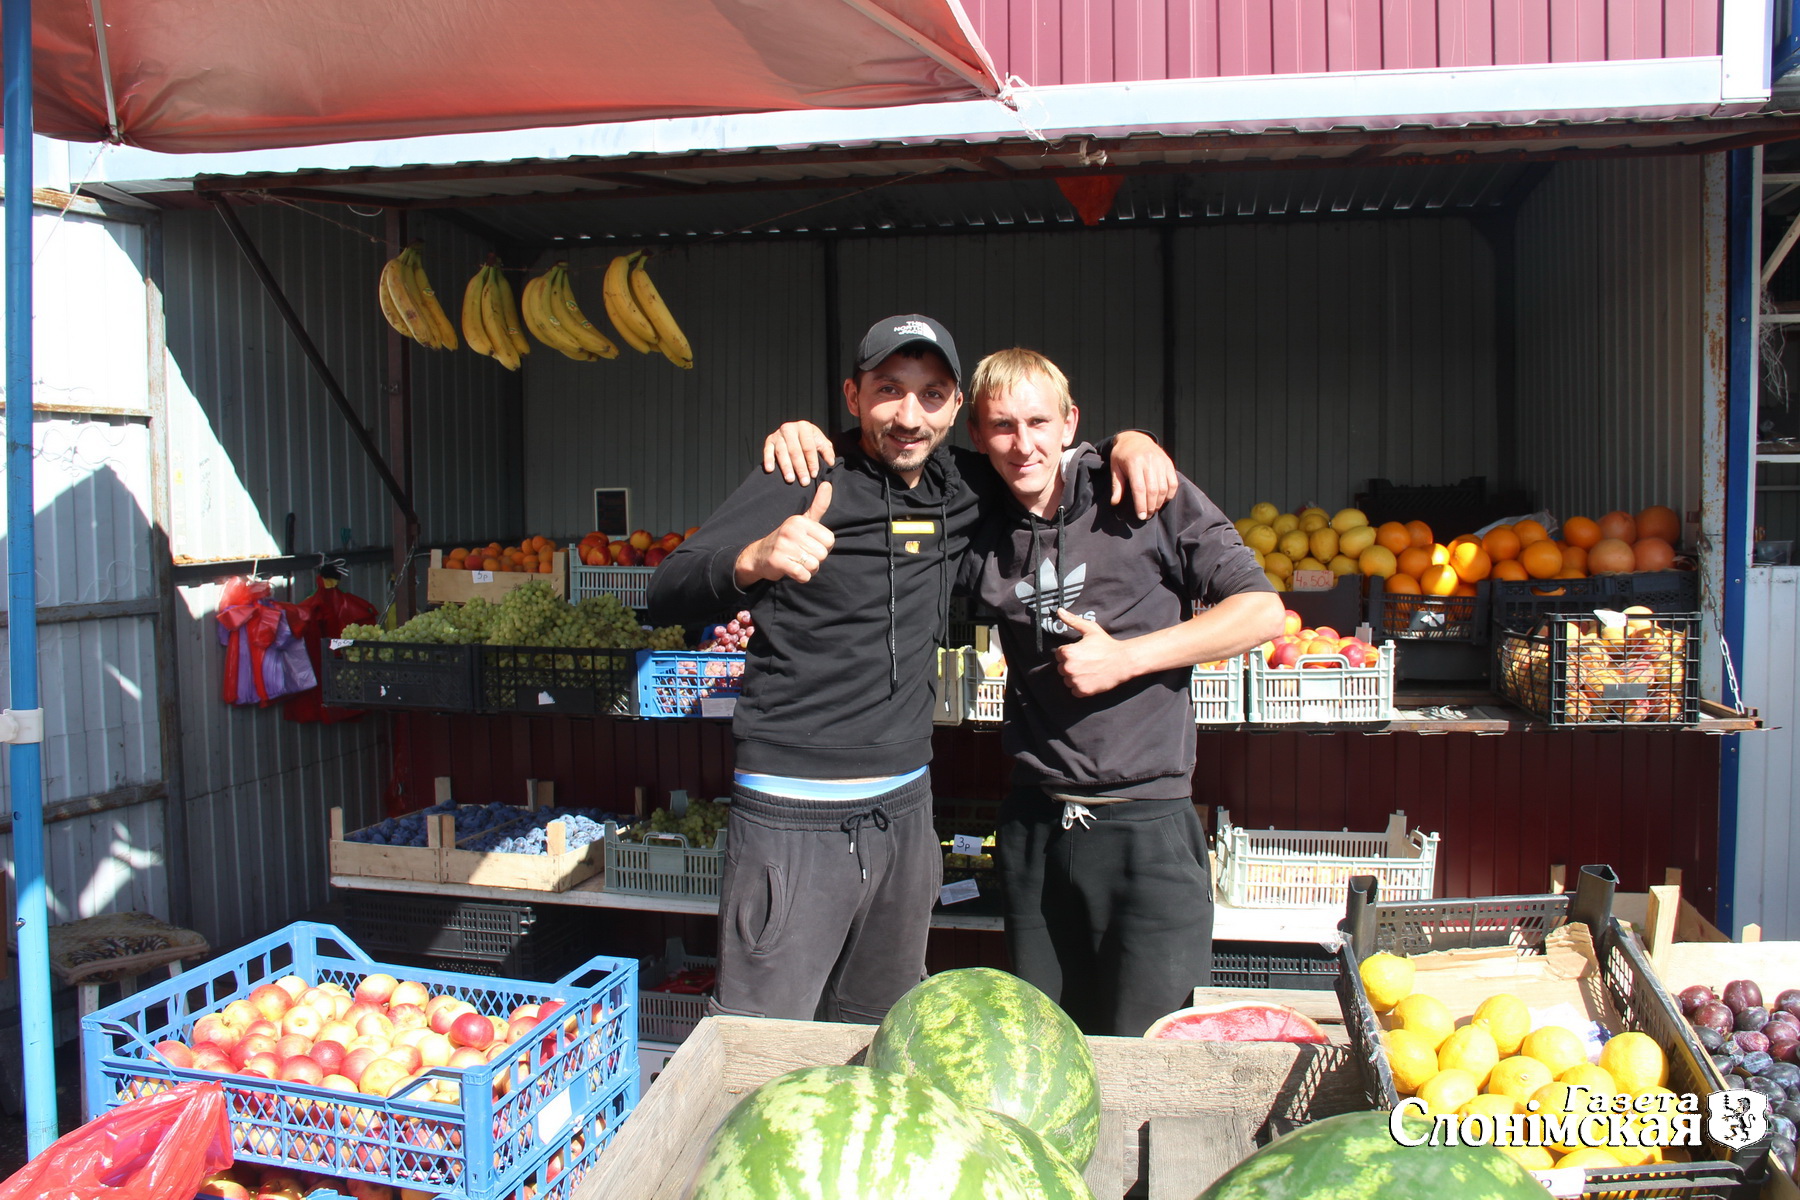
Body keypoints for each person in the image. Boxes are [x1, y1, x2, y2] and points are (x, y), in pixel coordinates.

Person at [645, 315, 1177, 1024]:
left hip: (904, 812)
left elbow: (1044, 454)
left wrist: (1126, 442)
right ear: (853, 396)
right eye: (889, 390)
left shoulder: (964, 485)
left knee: (878, 1029)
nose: (908, 414)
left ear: (956, 408)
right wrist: (754, 559)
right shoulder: (804, 474)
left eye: (932, 395)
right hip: (793, 808)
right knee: (759, 1037)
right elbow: (665, 592)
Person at [959, 348, 1284, 1037]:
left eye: (1040, 422)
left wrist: (1126, 659)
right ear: (977, 436)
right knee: (1045, 1053)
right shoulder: (978, 522)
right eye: (1003, 427)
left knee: (1152, 1053)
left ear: (1070, 421)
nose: (1024, 445)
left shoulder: (1139, 496)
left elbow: (1261, 611)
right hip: (1035, 828)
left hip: (1146, 827)